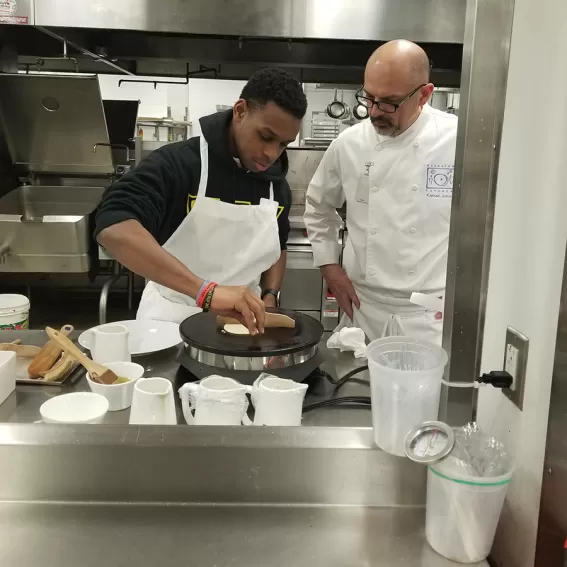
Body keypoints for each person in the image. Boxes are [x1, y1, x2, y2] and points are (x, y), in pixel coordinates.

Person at [95, 68, 307, 334]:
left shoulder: (277, 186)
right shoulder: (180, 164)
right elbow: (113, 226)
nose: (271, 154)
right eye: (265, 137)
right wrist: (206, 292)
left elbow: (278, 244)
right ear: (240, 111)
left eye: (284, 144)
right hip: (170, 322)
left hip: (242, 325)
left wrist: (270, 295)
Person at [304, 40, 457, 345]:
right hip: (364, 309)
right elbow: (318, 207)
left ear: (424, 94)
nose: (374, 111)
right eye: (369, 97)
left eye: (389, 102)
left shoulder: (456, 140)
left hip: (430, 317)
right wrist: (330, 267)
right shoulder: (349, 144)